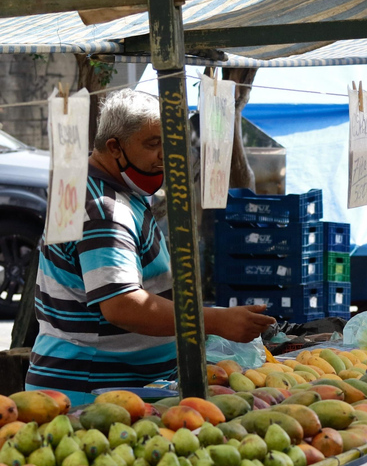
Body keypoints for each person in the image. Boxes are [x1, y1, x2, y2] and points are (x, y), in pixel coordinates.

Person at [26, 89, 276, 405]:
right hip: (90, 395)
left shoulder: (105, 189)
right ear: (114, 147)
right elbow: (123, 305)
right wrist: (214, 320)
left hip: (117, 389)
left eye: (169, 143)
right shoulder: (103, 209)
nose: (164, 155)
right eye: (152, 144)